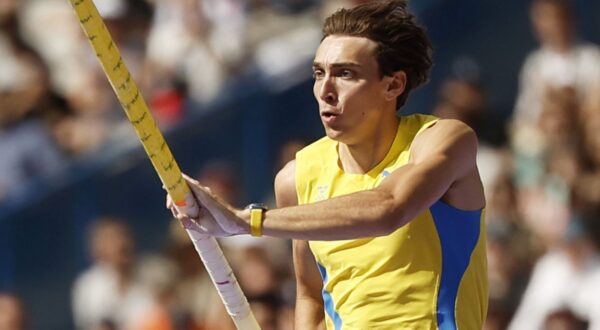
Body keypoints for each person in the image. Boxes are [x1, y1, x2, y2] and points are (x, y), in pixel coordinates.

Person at [168, 1, 488, 329]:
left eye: (345, 73)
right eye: (319, 73)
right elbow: (310, 294)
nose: (325, 90)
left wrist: (244, 221)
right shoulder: (296, 177)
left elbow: (389, 207)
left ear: (393, 85)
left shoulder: (443, 140)